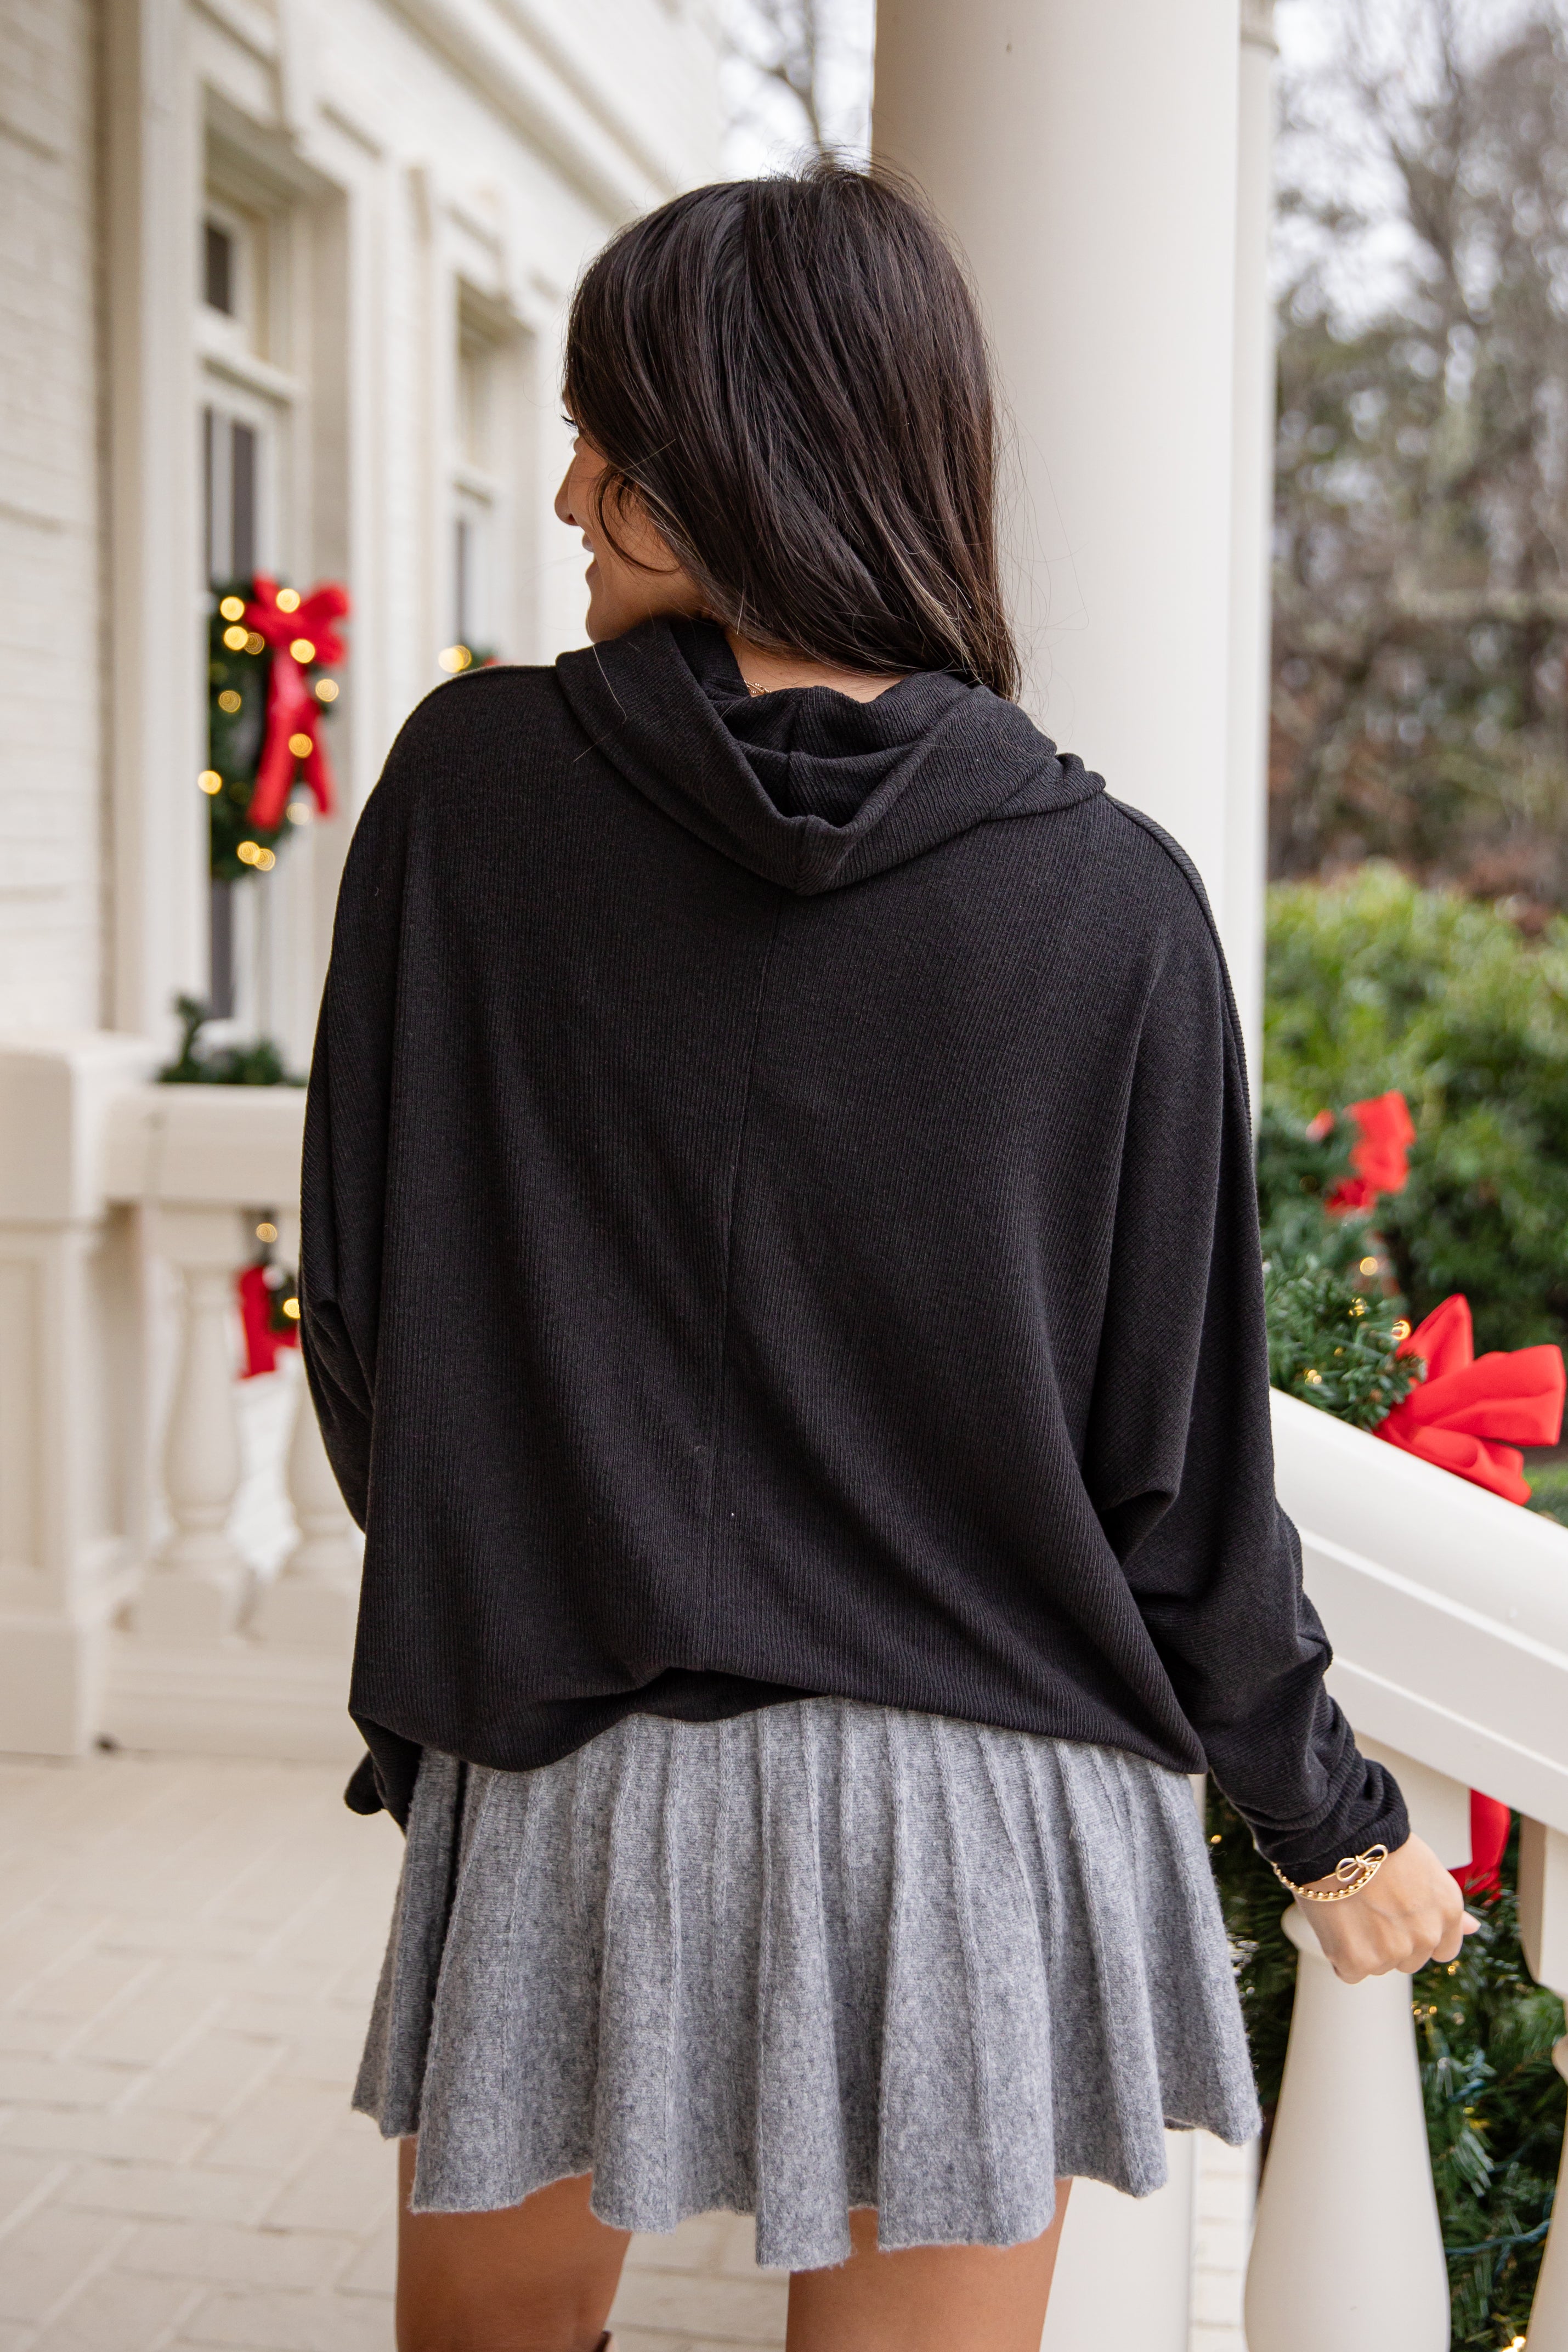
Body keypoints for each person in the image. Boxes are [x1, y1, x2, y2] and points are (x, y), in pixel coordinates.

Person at [300, 162, 1473, 2352]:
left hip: (582, 1770)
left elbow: (364, 1314)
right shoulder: (1110, 898)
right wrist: (1325, 1819)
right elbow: (1176, 1465)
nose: (568, 492)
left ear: (749, 445)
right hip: (978, 1806)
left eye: (611, 437)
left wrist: (525, 1600)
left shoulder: (467, 796)